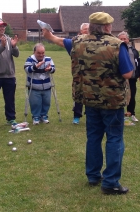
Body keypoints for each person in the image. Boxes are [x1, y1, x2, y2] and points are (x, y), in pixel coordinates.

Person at [43, 12, 134, 195]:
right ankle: (110, 182)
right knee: (114, 138)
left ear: (91, 26)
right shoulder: (117, 45)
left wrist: (48, 34)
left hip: (89, 99)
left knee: (93, 137)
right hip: (112, 101)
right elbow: (127, 74)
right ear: (107, 27)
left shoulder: (78, 42)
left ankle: (93, 176)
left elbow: (59, 41)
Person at [117, 31, 140, 124]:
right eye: (121, 39)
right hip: (119, 78)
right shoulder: (115, 49)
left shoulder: (133, 50)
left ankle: (131, 113)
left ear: (128, 40)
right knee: (119, 96)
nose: (123, 40)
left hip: (132, 77)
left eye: (125, 39)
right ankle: (118, 115)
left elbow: (139, 63)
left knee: (131, 96)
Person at [24, 43, 55, 125]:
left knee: (46, 102)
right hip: (34, 86)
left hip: (47, 86)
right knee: (35, 102)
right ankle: (36, 117)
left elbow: (53, 69)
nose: (41, 55)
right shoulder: (30, 59)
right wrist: (35, 66)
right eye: (39, 53)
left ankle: (44, 115)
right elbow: (27, 69)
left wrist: (50, 68)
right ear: (34, 52)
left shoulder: (48, 59)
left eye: (42, 53)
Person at [72, 23, 89, 125]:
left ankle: (89, 116)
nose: (87, 31)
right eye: (85, 29)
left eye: (88, 29)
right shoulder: (75, 40)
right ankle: (76, 116)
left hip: (91, 74)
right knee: (78, 95)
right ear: (81, 31)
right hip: (78, 74)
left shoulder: (94, 41)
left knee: (90, 96)